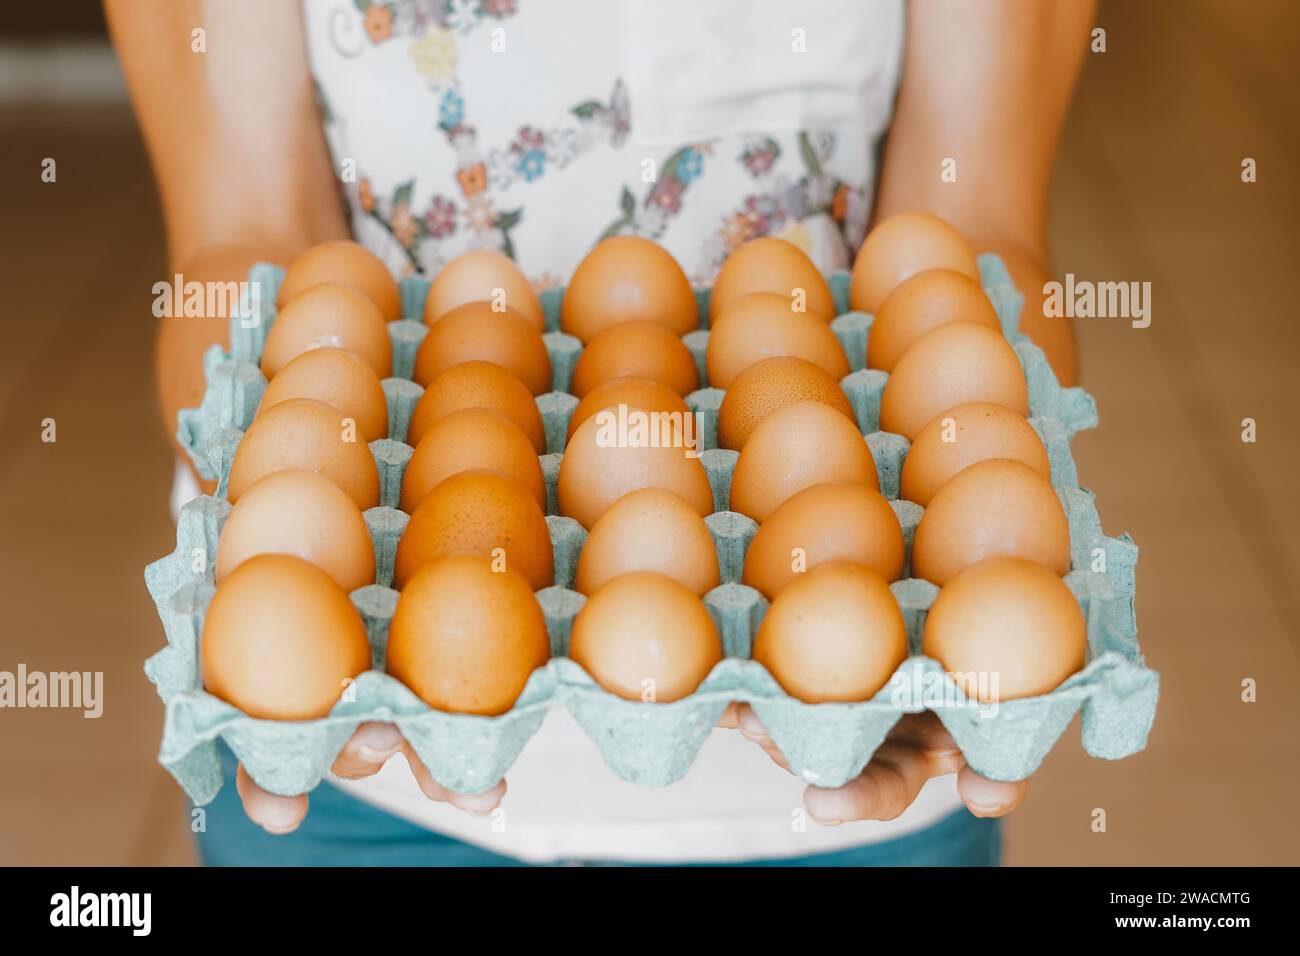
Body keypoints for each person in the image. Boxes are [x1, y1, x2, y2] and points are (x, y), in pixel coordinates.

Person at [109, 0, 1092, 866]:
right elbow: (240, 231)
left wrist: (967, 602)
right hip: (362, 783)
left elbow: (971, 238)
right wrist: (289, 586)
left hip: (845, 781)